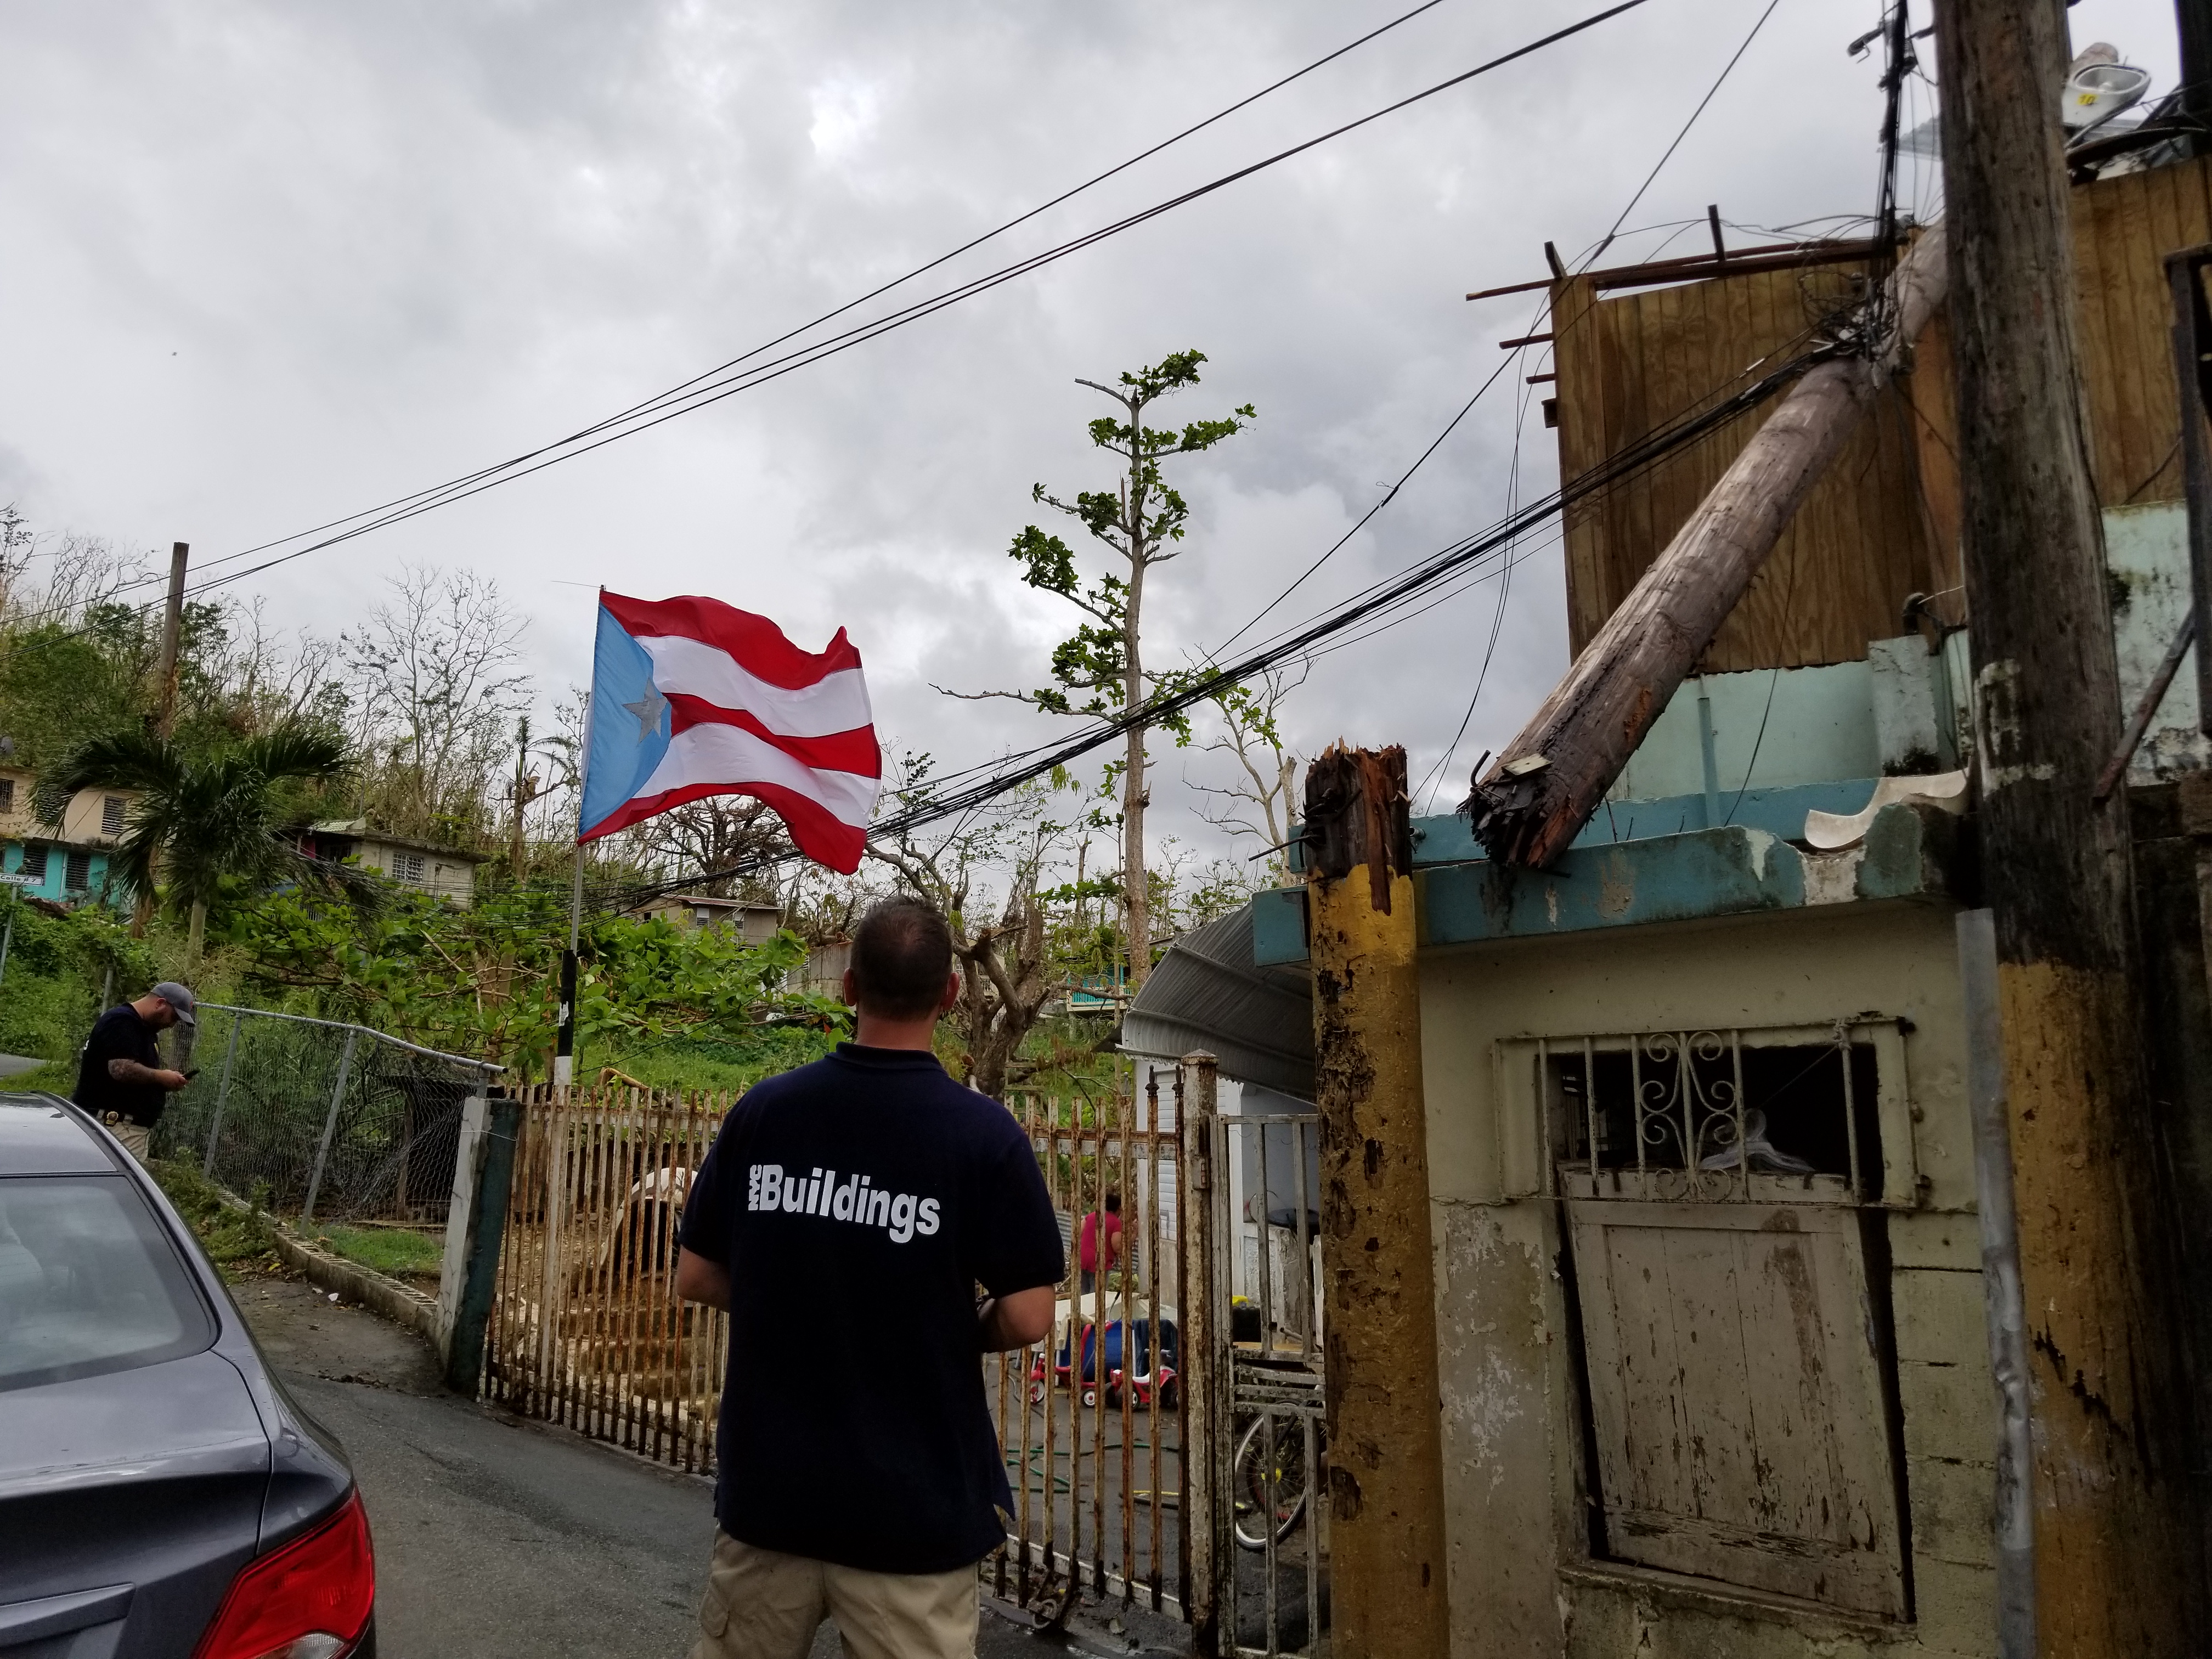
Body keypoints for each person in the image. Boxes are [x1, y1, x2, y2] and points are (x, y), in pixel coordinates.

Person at [673, 894, 1063, 1659]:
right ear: (952, 997)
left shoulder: (764, 1114)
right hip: (913, 1519)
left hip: (771, 1502)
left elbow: (695, 1275)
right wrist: (950, 1327)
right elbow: (1027, 1317)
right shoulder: (984, 1138)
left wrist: (791, 1303)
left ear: (847, 988)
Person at [72, 981, 196, 1163]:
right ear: (160, 1003)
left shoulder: (143, 1028)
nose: (173, 1024)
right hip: (115, 1127)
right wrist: (161, 1077)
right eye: (174, 1017)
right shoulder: (123, 1022)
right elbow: (120, 1068)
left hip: (123, 1129)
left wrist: (163, 1081)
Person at [1077, 1190, 1121, 1296]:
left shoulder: (1091, 1216)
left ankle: (1082, 1312)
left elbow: (1077, 1232)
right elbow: (1117, 1247)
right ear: (1119, 1208)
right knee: (1096, 1296)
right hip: (1098, 1262)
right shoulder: (1116, 1222)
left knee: (1083, 1294)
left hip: (1081, 1259)